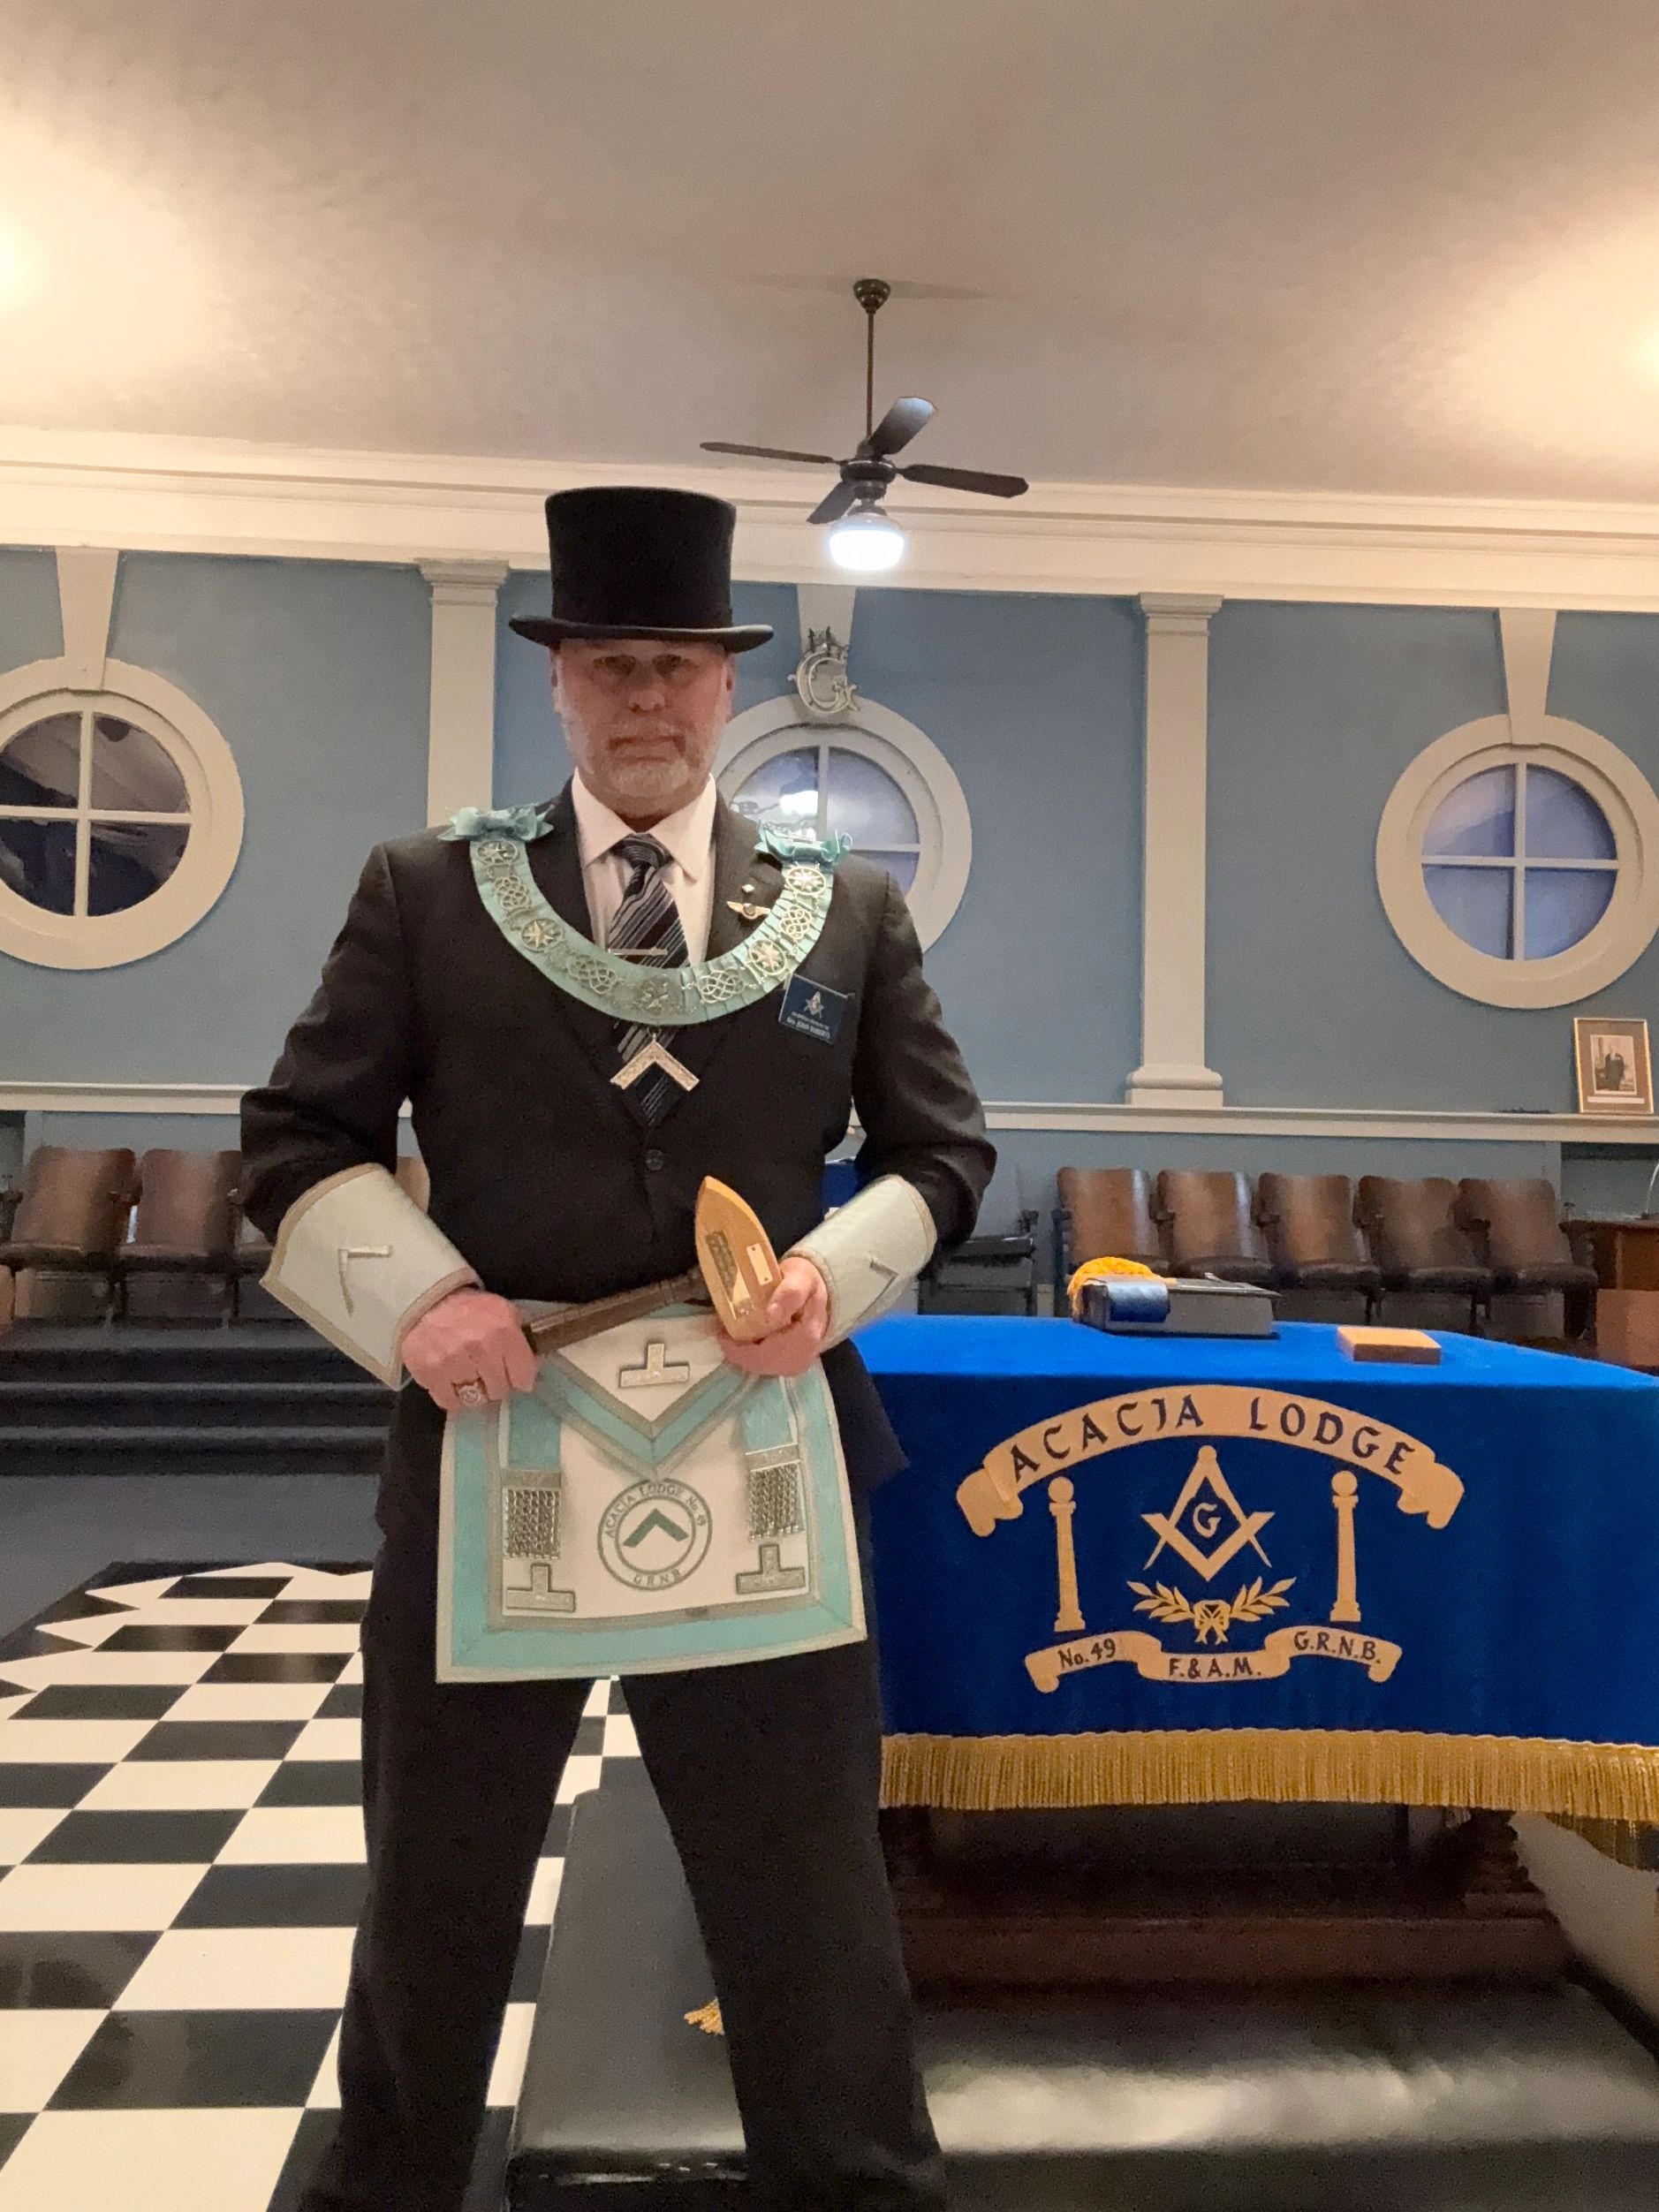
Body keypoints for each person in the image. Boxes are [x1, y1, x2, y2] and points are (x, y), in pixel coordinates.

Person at [239, 484, 993, 2212]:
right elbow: (295, 1136)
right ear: (561, 683)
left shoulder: (849, 912)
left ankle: (863, 2190)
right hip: (497, 1448)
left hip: (758, 1454)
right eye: (611, 663)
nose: (648, 696)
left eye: (681, 666)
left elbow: (946, 1155)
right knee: (436, 1886)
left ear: (729, 692)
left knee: (808, 1897)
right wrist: (421, 1298)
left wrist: (832, 1273)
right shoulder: (427, 891)